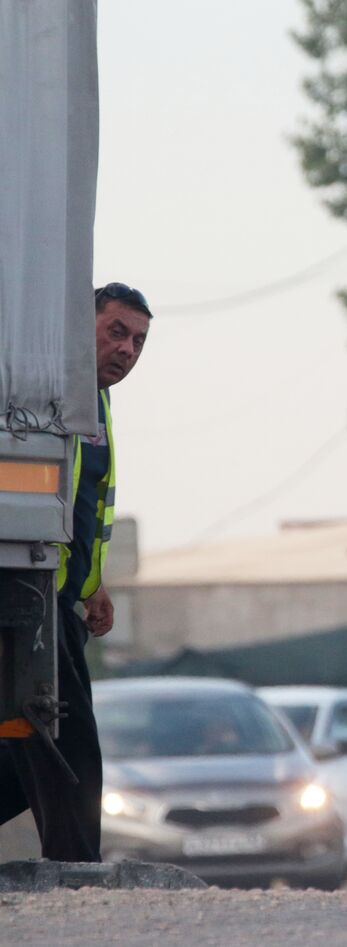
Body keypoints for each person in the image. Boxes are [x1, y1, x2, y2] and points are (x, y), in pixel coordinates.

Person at [0, 281, 152, 861]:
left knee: (28, 754)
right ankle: (77, 873)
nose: (128, 350)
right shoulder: (49, 393)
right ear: (76, 328)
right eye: (117, 332)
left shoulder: (96, 401)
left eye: (138, 341)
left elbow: (80, 505)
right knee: (70, 745)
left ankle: (74, 864)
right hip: (27, 590)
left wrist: (95, 585)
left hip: (63, 601)